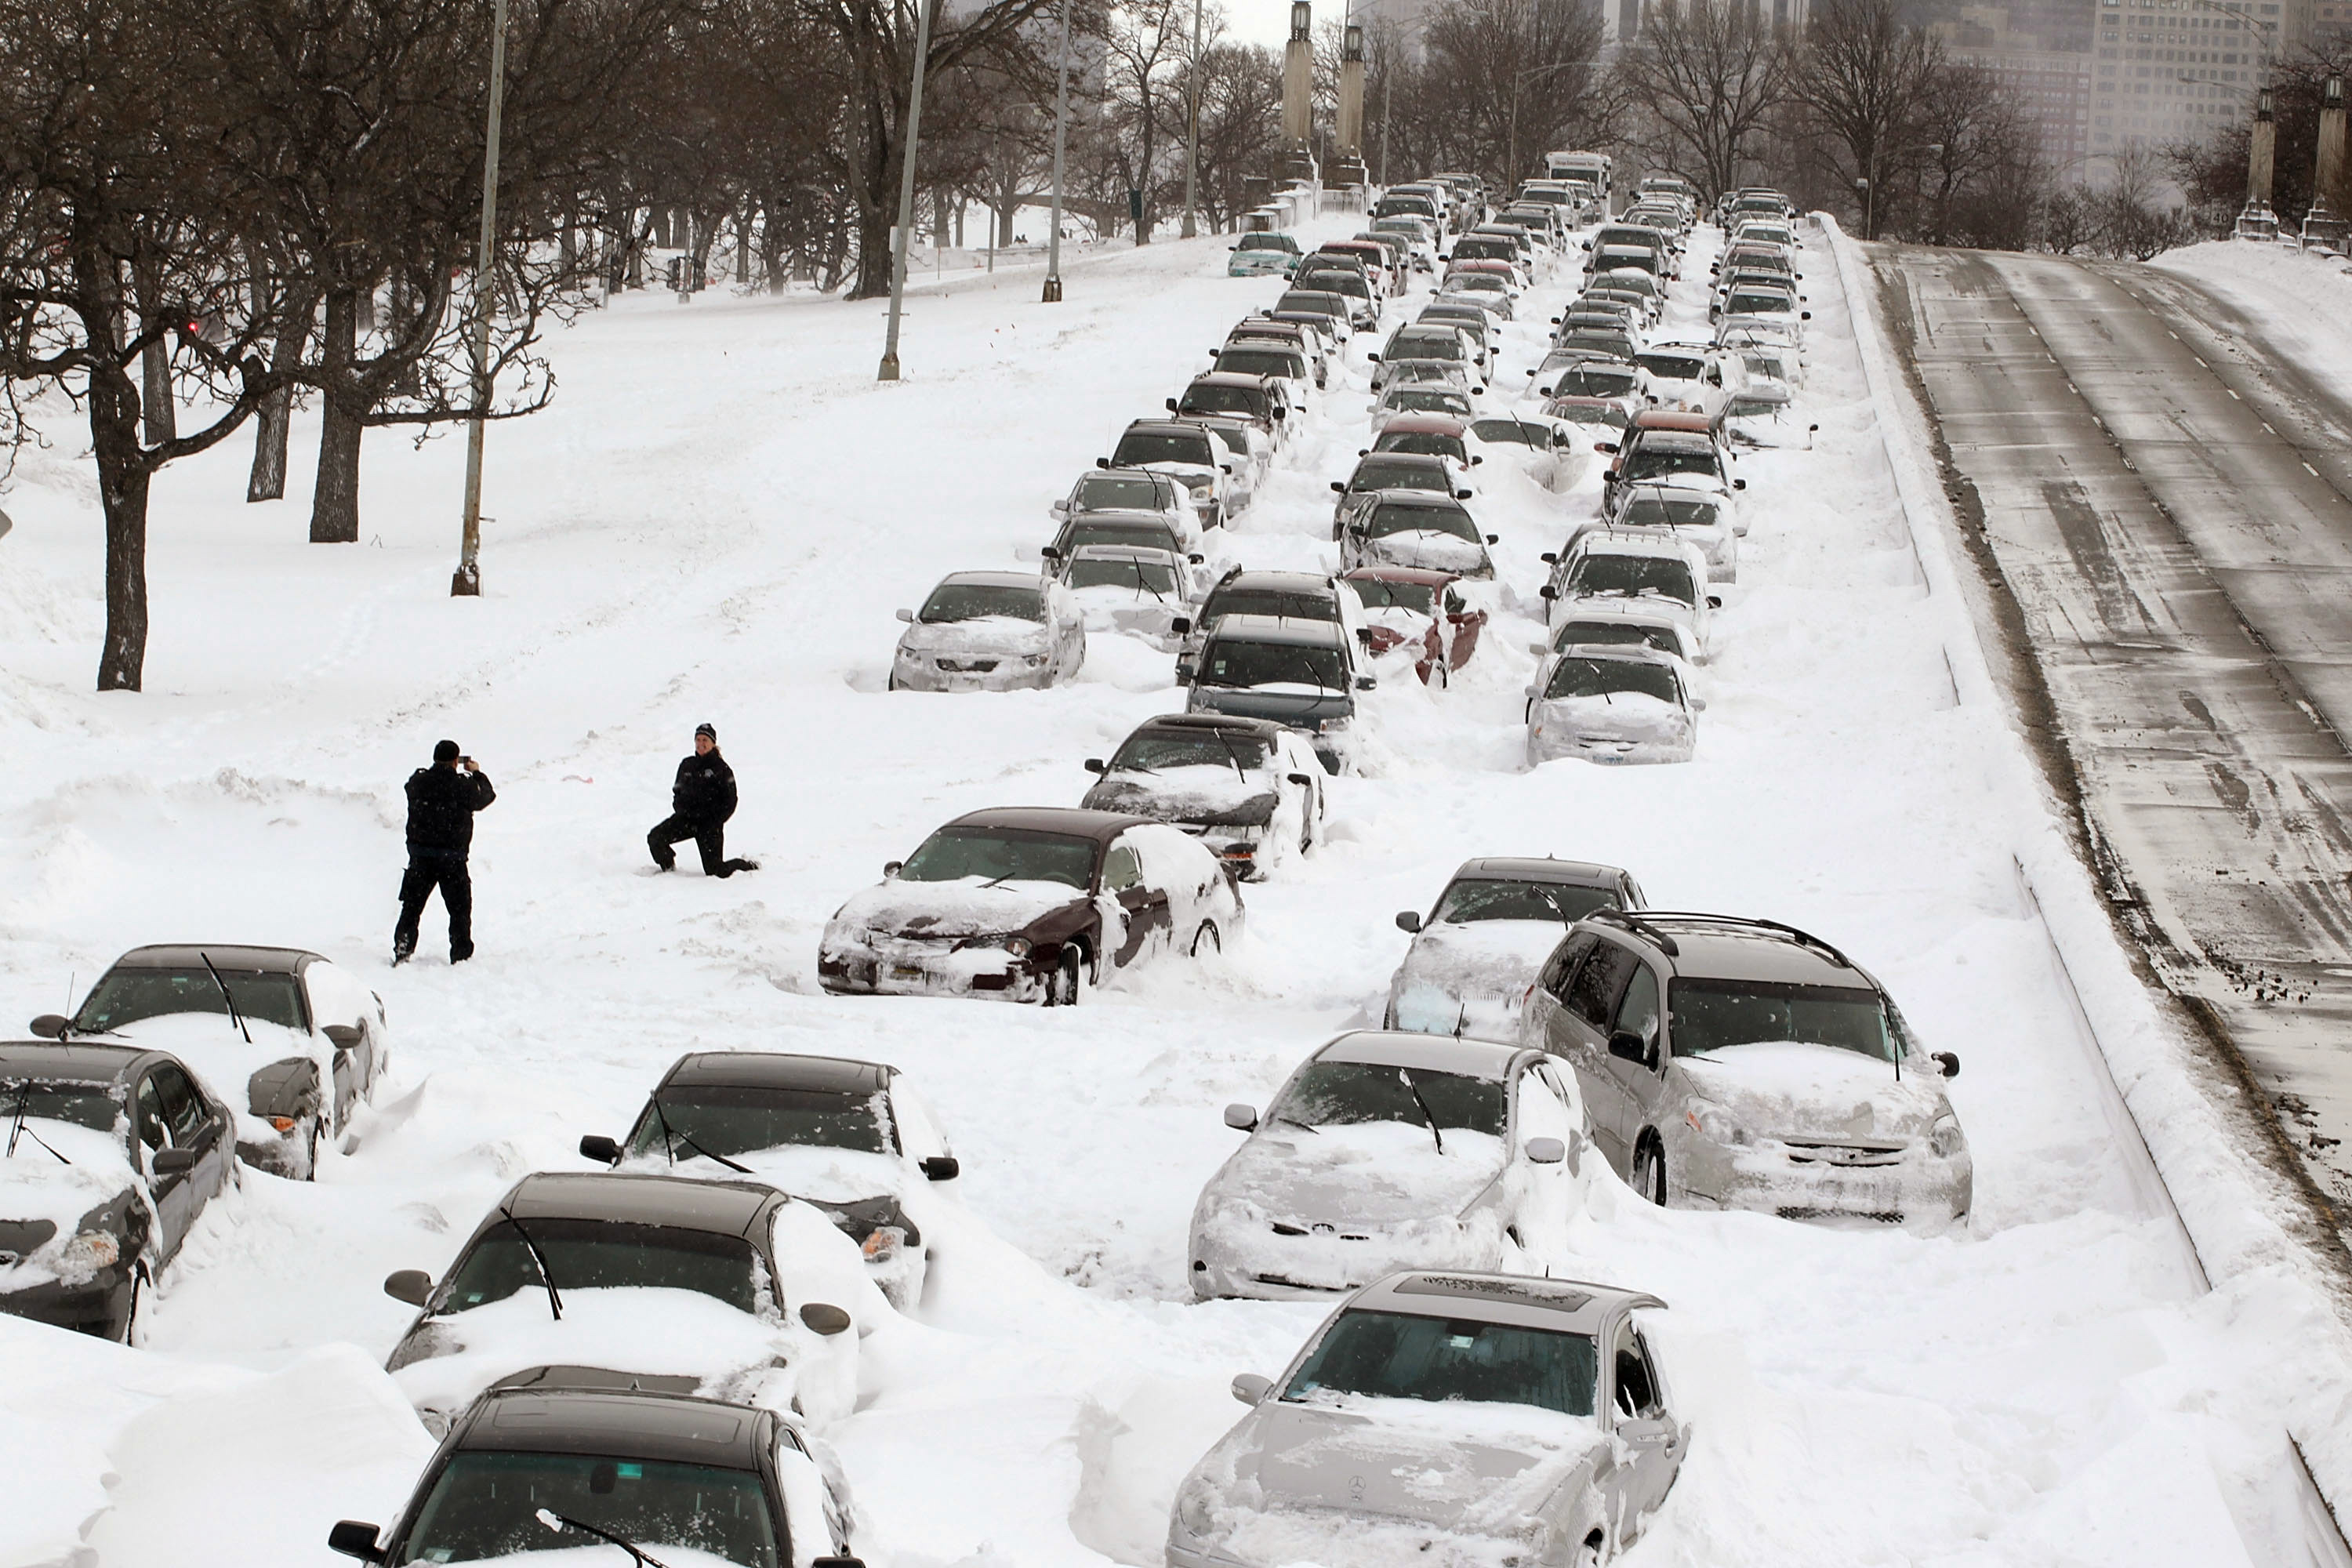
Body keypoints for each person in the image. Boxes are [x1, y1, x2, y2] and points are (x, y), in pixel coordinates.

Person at [394, 740, 496, 964]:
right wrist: (477, 774)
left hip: (421, 857)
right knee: (460, 911)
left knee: (411, 908)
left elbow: (410, 786)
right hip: (453, 859)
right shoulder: (463, 786)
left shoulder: (418, 782)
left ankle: (403, 948)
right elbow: (486, 797)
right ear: (455, 761)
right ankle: (460, 955)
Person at [648, 723, 759, 877]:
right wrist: (681, 810)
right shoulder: (687, 765)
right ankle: (669, 871)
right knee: (655, 838)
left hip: (709, 826)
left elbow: (731, 801)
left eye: (705, 740)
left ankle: (745, 865)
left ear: (713, 743)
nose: (701, 744)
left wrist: (715, 821)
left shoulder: (722, 769)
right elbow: (677, 791)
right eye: (698, 740)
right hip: (686, 820)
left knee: (715, 871)